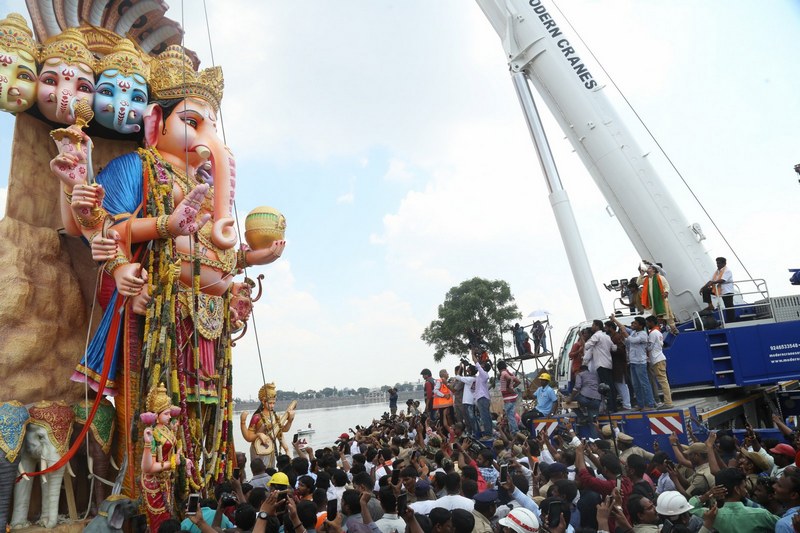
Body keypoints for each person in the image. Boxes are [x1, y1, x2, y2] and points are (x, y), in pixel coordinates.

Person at [688, 468, 779, 532]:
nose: (746, 491)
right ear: (737, 489)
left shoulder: (712, 515)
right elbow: (784, 525)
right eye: (744, 487)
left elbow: (691, 507)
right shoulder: (760, 514)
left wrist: (707, 495)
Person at [612, 315, 656, 410]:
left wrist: (625, 335)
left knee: (644, 384)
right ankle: (641, 405)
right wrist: (614, 320)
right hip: (633, 362)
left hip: (640, 362)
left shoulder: (643, 334)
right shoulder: (634, 332)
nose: (633, 324)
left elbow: (632, 340)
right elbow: (623, 328)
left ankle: (650, 404)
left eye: (635, 323)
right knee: (636, 385)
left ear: (640, 325)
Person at [583, 319, 617, 413]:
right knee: (611, 386)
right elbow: (614, 348)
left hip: (601, 364)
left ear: (597, 326)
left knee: (606, 387)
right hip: (608, 363)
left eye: (593, 325)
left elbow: (587, 346)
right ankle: (614, 407)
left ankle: (610, 408)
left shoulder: (596, 335)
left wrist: (590, 344)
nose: (592, 327)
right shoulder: (606, 336)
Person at [641, 263, 679, 335]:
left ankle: (673, 328)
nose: (647, 269)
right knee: (656, 318)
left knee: (668, 315)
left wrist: (666, 292)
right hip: (652, 302)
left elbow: (667, 285)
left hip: (661, 300)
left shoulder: (660, 277)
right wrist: (641, 274)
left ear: (654, 270)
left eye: (649, 268)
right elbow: (638, 282)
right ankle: (658, 331)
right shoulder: (646, 279)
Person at [646, 316, 673, 409]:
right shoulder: (658, 332)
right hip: (659, 358)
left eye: (648, 322)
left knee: (663, 382)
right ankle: (668, 402)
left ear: (652, 322)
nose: (647, 324)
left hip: (657, 359)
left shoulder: (653, 333)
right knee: (664, 381)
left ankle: (668, 403)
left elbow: (649, 347)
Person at [605, 320, 632, 410]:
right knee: (618, 384)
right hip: (616, 365)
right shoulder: (612, 337)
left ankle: (627, 404)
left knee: (622, 384)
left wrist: (612, 349)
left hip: (619, 365)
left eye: (606, 327)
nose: (605, 329)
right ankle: (626, 404)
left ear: (611, 328)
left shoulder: (616, 337)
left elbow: (621, 351)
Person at [700, 257, 734, 321]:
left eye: (719, 263)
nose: (717, 265)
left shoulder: (727, 271)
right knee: (706, 290)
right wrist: (703, 287)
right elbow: (711, 281)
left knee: (729, 306)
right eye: (717, 263)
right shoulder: (717, 272)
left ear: (724, 263)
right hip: (718, 290)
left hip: (727, 291)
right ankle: (710, 306)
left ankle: (731, 321)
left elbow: (723, 280)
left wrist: (713, 282)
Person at [567, 365, 601, 429]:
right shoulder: (595, 375)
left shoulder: (580, 374)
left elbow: (577, 387)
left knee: (572, 401)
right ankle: (596, 437)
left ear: (580, 370)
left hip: (585, 398)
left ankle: (582, 418)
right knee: (594, 423)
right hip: (597, 399)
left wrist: (570, 398)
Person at [497, 360, 521, 433]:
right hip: (512, 398)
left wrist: (508, 387)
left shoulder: (503, 373)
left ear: (499, 368)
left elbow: (509, 379)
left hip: (508, 399)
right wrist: (512, 387)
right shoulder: (509, 373)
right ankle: (514, 431)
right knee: (511, 416)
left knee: (510, 416)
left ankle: (515, 431)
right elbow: (518, 381)